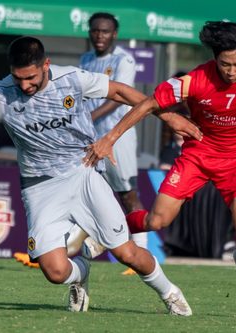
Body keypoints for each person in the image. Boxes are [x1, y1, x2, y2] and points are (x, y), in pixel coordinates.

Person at [0, 36, 201, 315]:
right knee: (55, 272)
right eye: (19, 78)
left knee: (127, 254)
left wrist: (170, 116)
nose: (25, 85)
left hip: (83, 172)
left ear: (46, 65)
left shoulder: (72, 79)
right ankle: (82, 267)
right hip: (40, 187)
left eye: (31, 77)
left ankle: (170, 293)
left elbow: (121, 91)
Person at [84, 21, 236, 302]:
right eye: (226, 64)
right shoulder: (194, 80)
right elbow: (149, 103)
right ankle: (107, 230)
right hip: (198, 155)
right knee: (157, 220)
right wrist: (110, 138)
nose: (232, 71)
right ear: (215, 58)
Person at [79, 12, 146, 275]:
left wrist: (90, 116)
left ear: (114, 34)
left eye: (105, 31)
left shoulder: (124, 60)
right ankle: (100, 239)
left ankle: (142, 253)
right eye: (95, 31)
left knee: (127, 193)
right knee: (93, 190)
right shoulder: (85, 59)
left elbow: (119, 97)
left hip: (119, 135)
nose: (99, 36)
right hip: (92, 137)